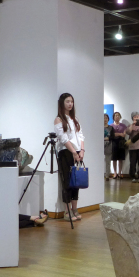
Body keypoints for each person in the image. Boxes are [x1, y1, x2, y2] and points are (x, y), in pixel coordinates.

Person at [54, 93, 85, 222]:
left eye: (71, 101)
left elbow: (81, 135)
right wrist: (73, 151)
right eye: (67, 101)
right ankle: (67, 212)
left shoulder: (75, 118)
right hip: (66, 152)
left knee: (76, 181)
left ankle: (75, 208)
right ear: (62, 103)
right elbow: (63, 138)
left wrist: (81, 150)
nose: (70, 104)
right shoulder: (58, 119)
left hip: (77, 152)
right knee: (67, 181)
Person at [127, 111, 139, 183]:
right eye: (134, 117)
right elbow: (128, 132)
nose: (136, 118)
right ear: (132, 118)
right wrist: (133, 124)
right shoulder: (130, 125)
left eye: (137, 116)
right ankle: (132, 176)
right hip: (132, 147)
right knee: (132, 162)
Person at [110, 112, 127, 179]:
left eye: (118, 116)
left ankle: (120, 173)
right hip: (114, 143)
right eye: (116, 116)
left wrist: (117, 134)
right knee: (114, 159)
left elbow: (124, 135)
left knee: (120, 159)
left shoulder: (123, 125)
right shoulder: (111, 126)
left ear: (120, 117)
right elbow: (112, 135)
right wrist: (120, 134)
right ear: (113, 117)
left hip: (121, 143)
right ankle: (115, 173)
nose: (117, 117)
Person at [104, 113, 114, 181]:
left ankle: (107, 175)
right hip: (99, 146)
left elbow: (112, 137)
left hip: (108, 146)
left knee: (108, 161)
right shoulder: (98, 127)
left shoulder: (111, 128)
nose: (105, 119)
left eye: (106, 118)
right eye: (104, 118)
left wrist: (107, 138)